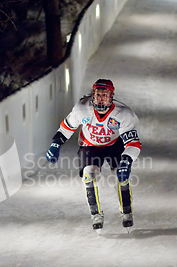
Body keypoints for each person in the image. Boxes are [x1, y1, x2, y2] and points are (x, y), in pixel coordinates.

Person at [46, 79, 141, 233]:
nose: (101, 99)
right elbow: (67, 127)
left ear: (112, 96)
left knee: (122, 175)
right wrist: (56, 143)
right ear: (93, 96)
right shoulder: (82, 109)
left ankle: (126, 211)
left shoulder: (123, 113)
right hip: (90, 146)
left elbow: (133, 143)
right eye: (98, 95)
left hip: (114, 144)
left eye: (105, 95)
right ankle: (96, 214)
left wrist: (127, 160)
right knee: (88, 176)